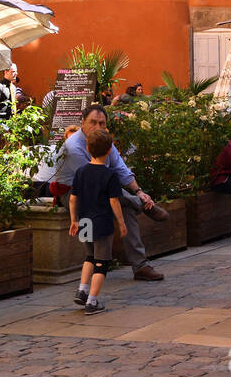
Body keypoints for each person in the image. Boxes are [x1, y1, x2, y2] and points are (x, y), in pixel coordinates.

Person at [52, 104, 171, 281]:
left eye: (102, 123)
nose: (98, 127)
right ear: (83, 122)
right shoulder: (73, 147)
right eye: (93, 122)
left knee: (126, 209)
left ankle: (140, 265)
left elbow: (120, 169)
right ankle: (143, 207)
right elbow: (94, 181)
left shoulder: (102, 141)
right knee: (117, 200)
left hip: (101, 190)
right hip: (74, 194)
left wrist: (138, 191)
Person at [67, 128, 126, 315]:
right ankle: (92, 302)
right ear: (109, 150)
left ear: (87, 148)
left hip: (84, 220)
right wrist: (122, 223)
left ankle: (82, 290)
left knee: (89, 257)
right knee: (102, 263)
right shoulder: (110, 175)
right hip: (102, 223)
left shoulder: (80, 172)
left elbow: (72, 198)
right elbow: (114, 201)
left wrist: (73, 220)